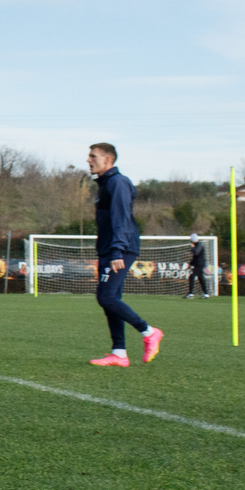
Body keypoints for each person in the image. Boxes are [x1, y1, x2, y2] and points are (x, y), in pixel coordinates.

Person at [86, 143, 162, 366]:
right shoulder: (106, 184)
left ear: (108, 160)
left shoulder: (118, 182)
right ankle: (119, 353)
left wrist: (117, 250)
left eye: (93, 156)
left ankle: (148, 332)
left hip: (119, 249)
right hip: (110, 249)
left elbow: (122, 219)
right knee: (111, 300)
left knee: (106, 297)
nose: (89, 161)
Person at [186, 233, 210, 299]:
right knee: (201, 278)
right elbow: (195, 257)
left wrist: (192, 248)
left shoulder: (199, 245)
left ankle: (191, 294)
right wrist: (191, 263)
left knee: (192, 277)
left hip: (199, 265)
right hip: (198, 264)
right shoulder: (198, 245)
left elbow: (196, 253)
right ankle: (206, 293)